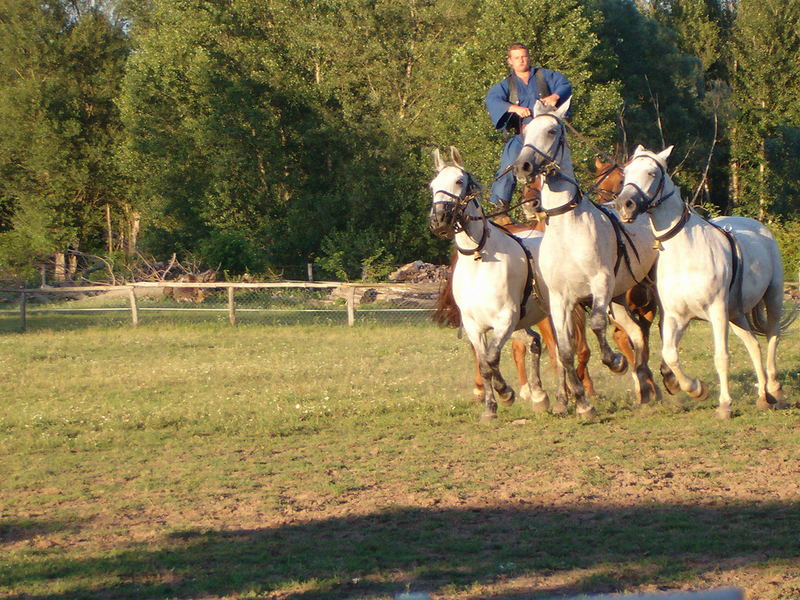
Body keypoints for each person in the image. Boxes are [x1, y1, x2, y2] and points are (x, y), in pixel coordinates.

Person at [485, 43, 572, 213]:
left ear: (529, 57)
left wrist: (555, 96)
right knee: (509, 164)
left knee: (561, 161)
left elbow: (565, 84)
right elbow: (493, 99)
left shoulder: (544, 75)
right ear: (510, 61)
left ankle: (571, 198)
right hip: (523, 135)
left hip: (547, 134)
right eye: (517, 58)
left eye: (524, 56)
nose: (521, 60)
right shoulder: (507, 84)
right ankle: (500, 206)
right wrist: (513, 108)